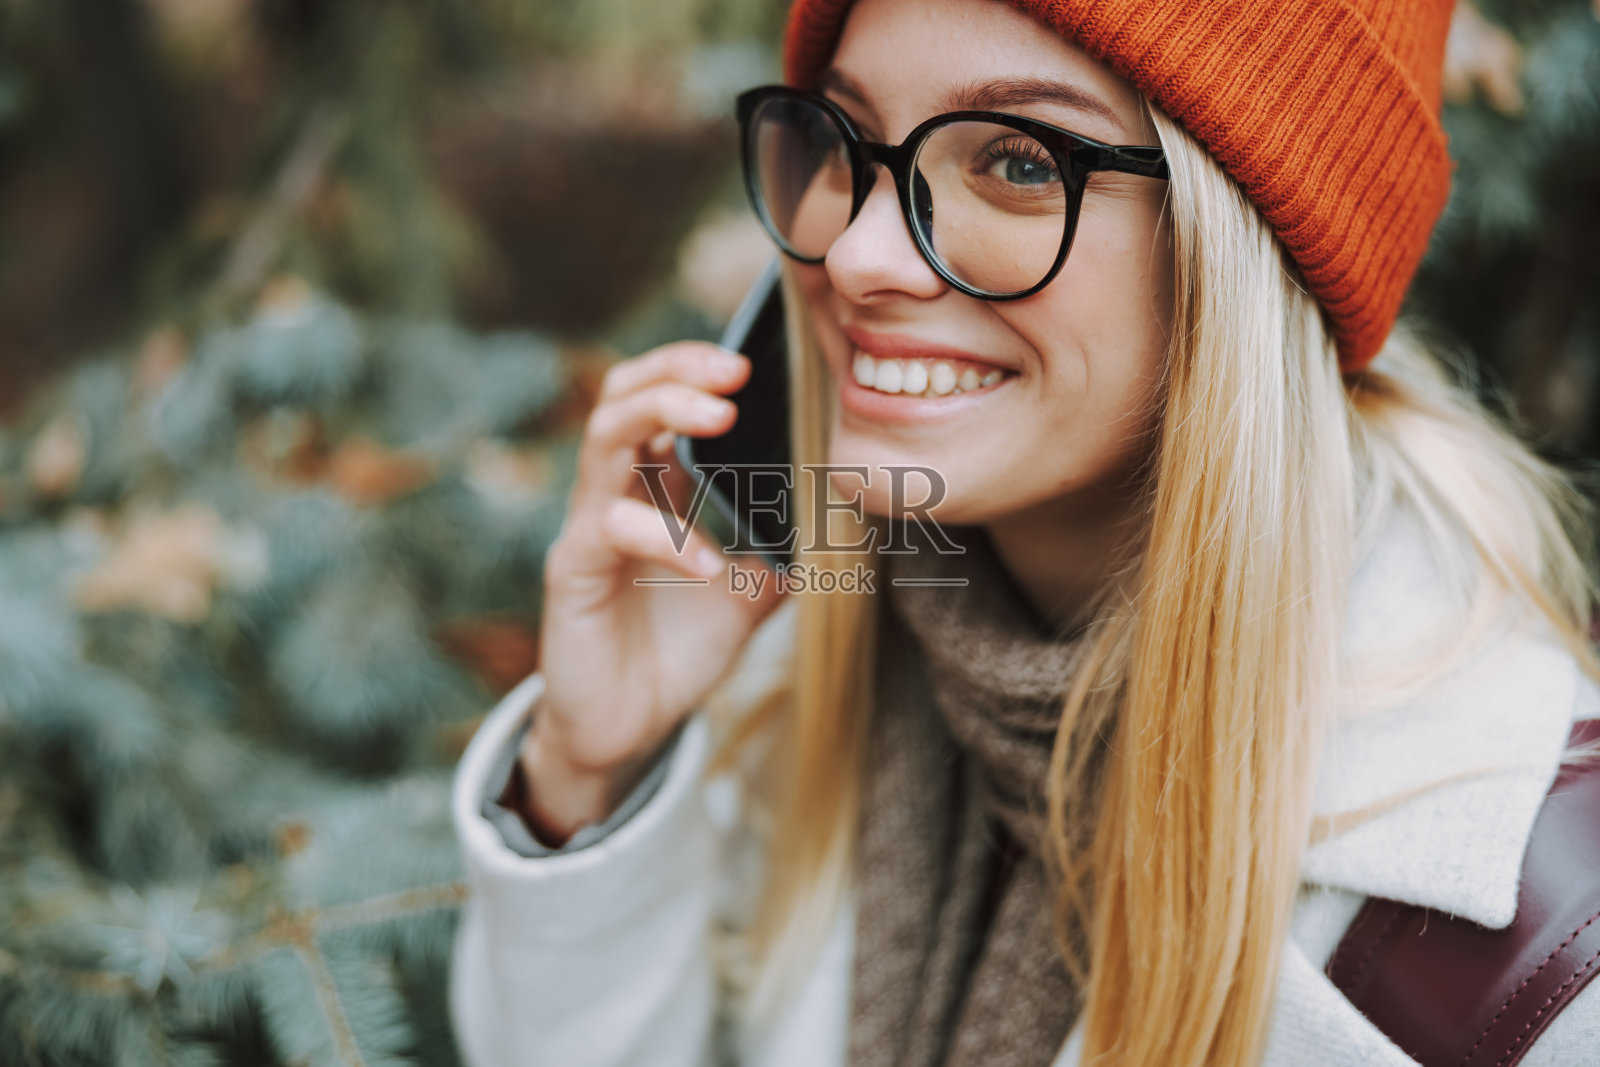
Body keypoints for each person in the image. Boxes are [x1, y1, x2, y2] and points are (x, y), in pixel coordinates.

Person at [447, 0, 1600, 1063]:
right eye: (841, 137)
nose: (853, 253)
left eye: (1015, 160)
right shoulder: (809, 656)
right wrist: (590, 778)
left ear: (1243, 249)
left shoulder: (1531, 960)